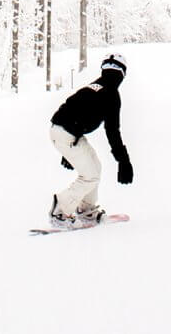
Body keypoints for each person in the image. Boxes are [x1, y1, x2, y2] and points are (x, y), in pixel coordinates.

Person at [48, 53, 133, 228]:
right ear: (122, 74)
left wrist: (68, 147)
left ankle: (87, 211)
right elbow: (112, 131)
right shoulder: (111, 94)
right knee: (90, 175)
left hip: (65, 132)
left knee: (95, 168)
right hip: (68, 134)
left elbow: (73, 108)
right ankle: (60, 212)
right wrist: (123, 161)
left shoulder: (95, 86)